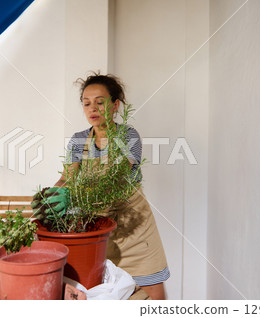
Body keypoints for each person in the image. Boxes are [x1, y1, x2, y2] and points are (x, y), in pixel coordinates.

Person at [42, 72, 169, 300]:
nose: (93, 108)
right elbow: (67, 178)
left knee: (154, 298)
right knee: (106, 296)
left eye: (100, 102)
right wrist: (55, 193)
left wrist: (77, 197)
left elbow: (119, 177)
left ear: (115, 105)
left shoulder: (128, 135)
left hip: (136, 232)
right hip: (99, 231)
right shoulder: (79, 139)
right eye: (86, 103)